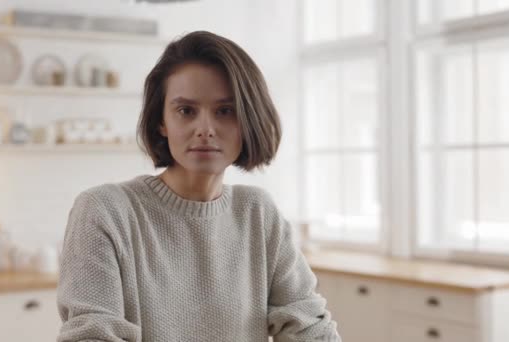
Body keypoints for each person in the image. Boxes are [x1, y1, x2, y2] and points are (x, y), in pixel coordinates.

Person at [57, 30, 340, 342]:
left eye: (225, 111)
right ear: (161, 122)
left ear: (247, 120)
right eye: (186, 111)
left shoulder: (258, 212)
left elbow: (308, 326)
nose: (205, 129)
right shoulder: (105, 211)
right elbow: (93, 335)